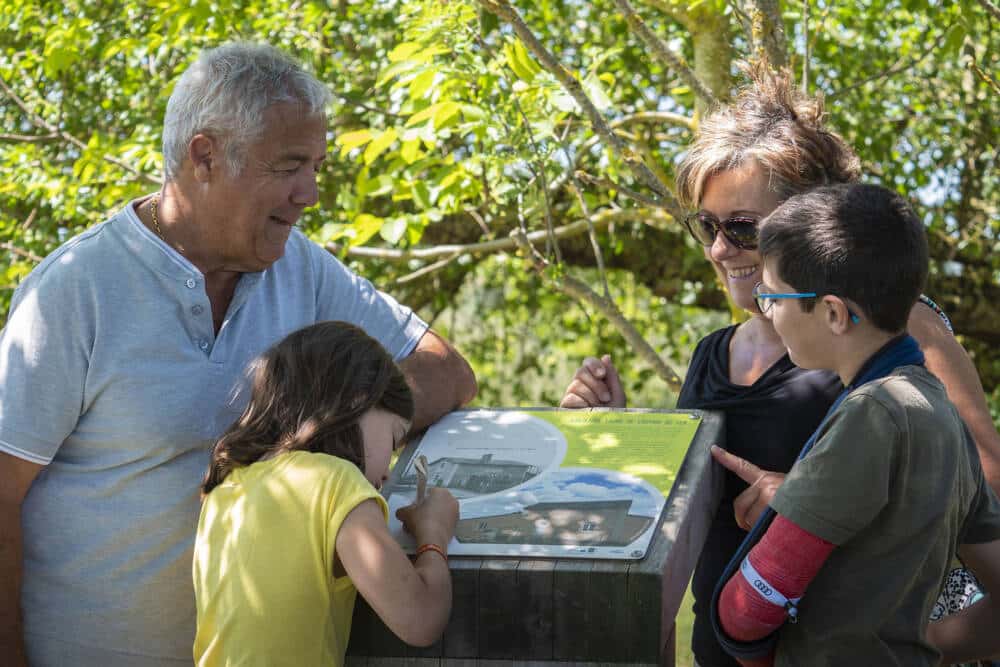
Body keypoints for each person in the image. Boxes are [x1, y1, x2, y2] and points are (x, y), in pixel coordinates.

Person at [0, 43, 476, 667]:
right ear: (205, 156)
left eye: (317, 167)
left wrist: (330, 428)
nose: (309, 193)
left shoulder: (300, 267)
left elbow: (446, 370)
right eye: (289, 165)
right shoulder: (74, 291)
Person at [559, 63, 1000, 667]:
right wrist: (616, 439)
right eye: (707, 226)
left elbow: (970, 501)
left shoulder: (896, 332)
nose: (719, 250)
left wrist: (807, 505)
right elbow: (682, 524)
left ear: (814, 222)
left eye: (743, 228)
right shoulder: (713, 353)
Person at [713, 183, 1000, 665]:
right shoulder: (939, 411)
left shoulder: (873, 412)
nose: (769, 312)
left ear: (833, 313)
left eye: (774, 298)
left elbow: (750, 607)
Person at [193, 321, 459, 666]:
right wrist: (434, 533)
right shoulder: (338, 482)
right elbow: (420, 620)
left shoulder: (224, 491)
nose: (387, 472)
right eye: (393, 441)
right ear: (358, 402)